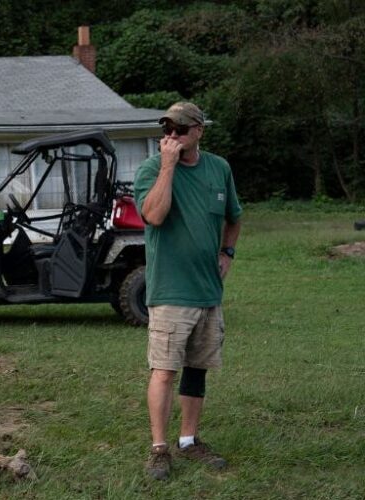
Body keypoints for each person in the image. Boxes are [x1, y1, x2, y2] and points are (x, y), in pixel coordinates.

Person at [133, 102, 242, 480]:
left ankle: (189, 440)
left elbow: (234, 216)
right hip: (170, 292)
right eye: (167, 130)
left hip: (208, 292)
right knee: (164, 371)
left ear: (199, 131)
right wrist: (167, 166)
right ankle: (159, 449)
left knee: (197, 370)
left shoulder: (219, 168)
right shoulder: (152, 169)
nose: (172, 136)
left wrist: (227, 251)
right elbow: (155, 215)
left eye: (180, 130)